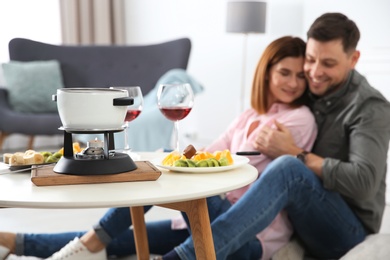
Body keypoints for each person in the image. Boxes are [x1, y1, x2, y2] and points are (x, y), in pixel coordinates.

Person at [0, 36, 317, 260]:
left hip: (247, 234)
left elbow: (227, 165)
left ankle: (93, 238)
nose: (292, 83)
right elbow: (214, 152)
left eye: (300, 76)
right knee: (118, 239)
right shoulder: (250, 115)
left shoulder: (300, 119)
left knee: (157, 173)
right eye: (284, 73)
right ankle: (17, 241)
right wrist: (185, 155)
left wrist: (189, 160)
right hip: (214, 217)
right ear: (267, 73)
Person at [160, 12, 390, 260]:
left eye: (328, 64)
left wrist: (295, 153)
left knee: (289, 166)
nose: (314, 72)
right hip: (297, 218)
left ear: (353, 59)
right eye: (310, 60)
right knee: (171, 165)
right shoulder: (313, 89)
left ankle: (183, 257)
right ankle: (110, 237)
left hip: (346, 229)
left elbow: (364, 183)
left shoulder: (369, 107)